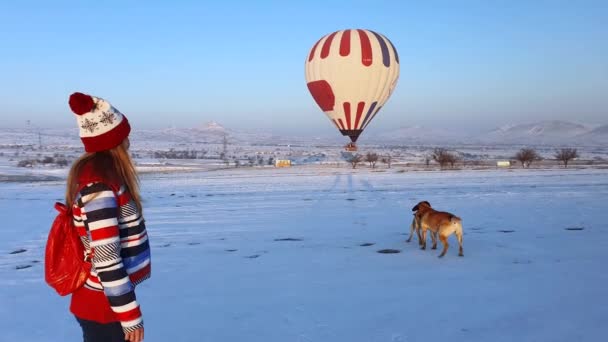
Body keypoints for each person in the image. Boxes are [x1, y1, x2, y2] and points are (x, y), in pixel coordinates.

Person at [66, 92, 151, 342]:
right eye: (125, 137)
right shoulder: (100, 187)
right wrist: (130, 316)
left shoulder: (104, 180)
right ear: (114, 142)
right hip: (104, 306)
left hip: (105, 300)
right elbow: (106, 259)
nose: (129, 143)